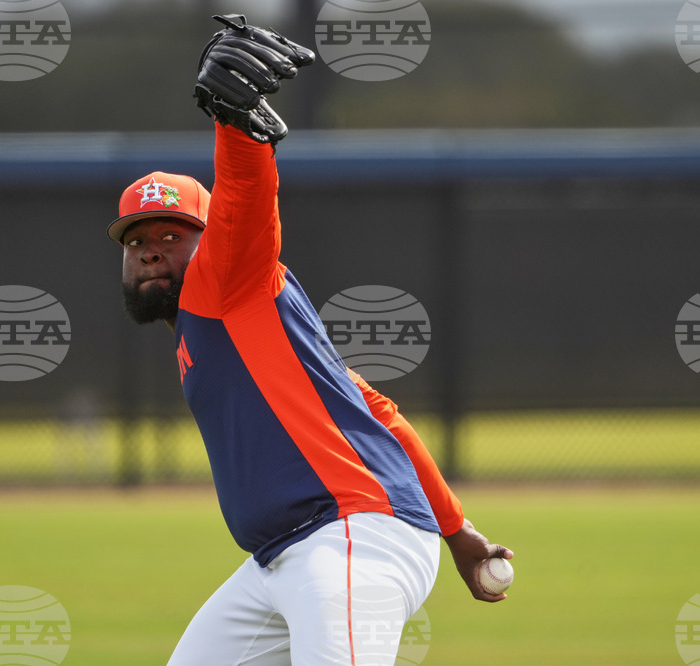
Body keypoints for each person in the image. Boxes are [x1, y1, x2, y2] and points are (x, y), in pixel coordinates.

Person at [106, 15, 513, 665]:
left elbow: (243, 199)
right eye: (136, 240)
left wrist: (235, 126)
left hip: (349, 536)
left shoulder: (225, 280)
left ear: (208, 242)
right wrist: (457, 530)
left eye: (170, 234)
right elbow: (379, 414)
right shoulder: (239, 332)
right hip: (282, 560)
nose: (151, 252)